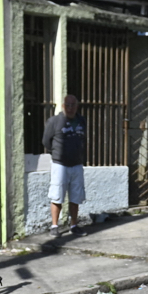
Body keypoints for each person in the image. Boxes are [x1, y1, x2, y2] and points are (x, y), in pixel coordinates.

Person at [41, 93, 87, 235]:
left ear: (77, 106)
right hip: (60, 164)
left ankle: (74, 225)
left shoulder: (81, 120)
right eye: (67, 105)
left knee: (76, 196)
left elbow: (83, 139)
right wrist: (57, 152)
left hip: (77, 164)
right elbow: (46, 141)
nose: (70, 108)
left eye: (73, 105)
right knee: (57, 195)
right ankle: (55, 226)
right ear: (63, 106)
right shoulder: (54, 121)